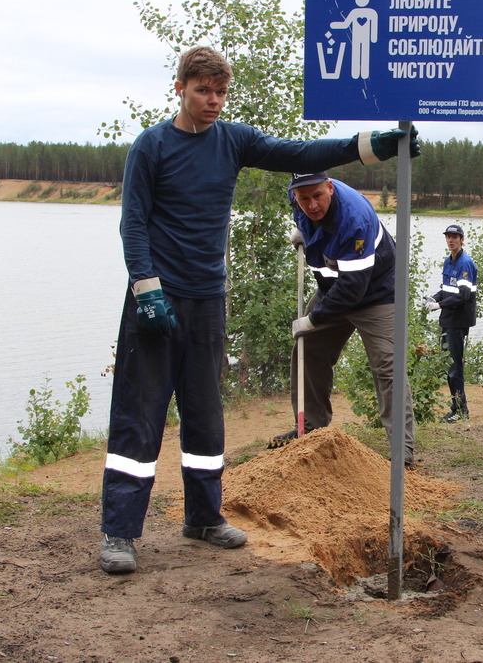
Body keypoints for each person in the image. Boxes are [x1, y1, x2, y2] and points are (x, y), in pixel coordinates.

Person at [99, 46, 419, 575]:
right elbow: (133, 223)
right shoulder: (150, 147)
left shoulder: (233, 141)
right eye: (203, 90)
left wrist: (370, 146)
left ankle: (204, 516)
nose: (213, 101)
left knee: (204, 411)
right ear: (180, 88)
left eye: (221, 92)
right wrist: (146, 287)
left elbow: (301, 152)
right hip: (156, 299)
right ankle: (119, 531)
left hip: (207, 298)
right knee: (140, 411)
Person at [269, 171, 417, 466]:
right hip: (333, 286)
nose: (312, 205)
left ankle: (403, 452)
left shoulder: (354, 219)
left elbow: (352, 289)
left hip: (376, 292)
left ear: (331, 188)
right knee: (307, 350)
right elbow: (303, 210)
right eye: (304, 198)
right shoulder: (298, 199)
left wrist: (314, 319)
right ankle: (310, 428)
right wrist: (305, 232)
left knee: (388, 364)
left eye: (318, 196)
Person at [425, 224, 478, 422]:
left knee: (455, 367)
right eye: (448, 237)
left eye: (455, 237)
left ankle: (461, 411)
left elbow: (463, 296)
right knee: (449, 366)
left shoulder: (465, 264)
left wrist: (439, 306)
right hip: (448, 320)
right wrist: (433, 298)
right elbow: (447, 290)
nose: (451, 240)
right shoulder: (449, 261)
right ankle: (456, 409)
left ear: (462, 239)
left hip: (458, 322)